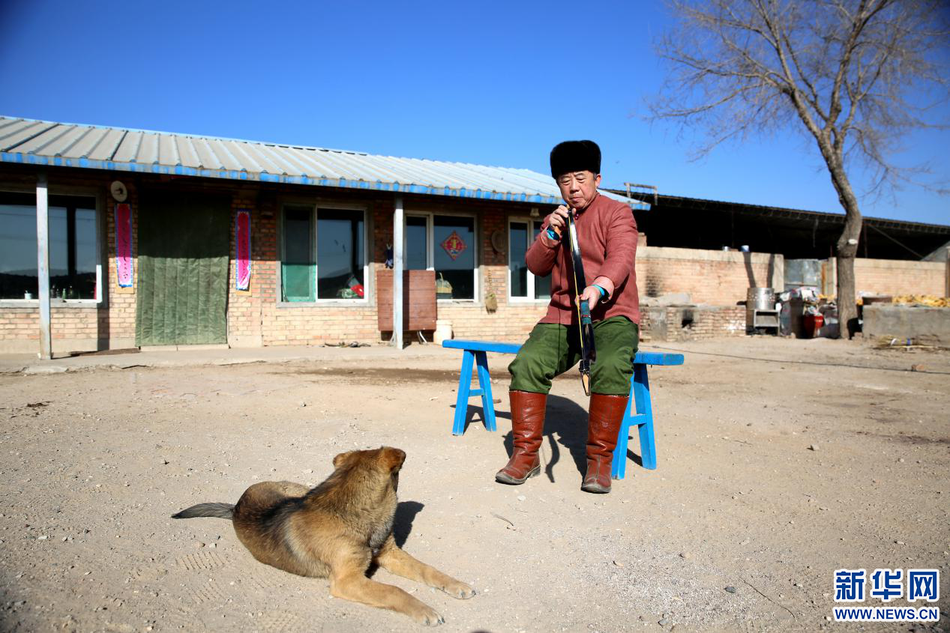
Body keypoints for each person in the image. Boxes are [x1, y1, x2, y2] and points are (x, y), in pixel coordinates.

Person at [496, 140, 640, 494]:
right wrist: (549, 233)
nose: (573, 187)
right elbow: (534, 266)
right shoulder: (555, 220)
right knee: (527, 362)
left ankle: (598, 463)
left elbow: (621, 257)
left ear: (597, 177)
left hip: (611, 315)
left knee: (611, 365)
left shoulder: (618, 212)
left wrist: (600, 287)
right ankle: (526, 456)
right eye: (564, 181)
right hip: (562, 316)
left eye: (580, 178)